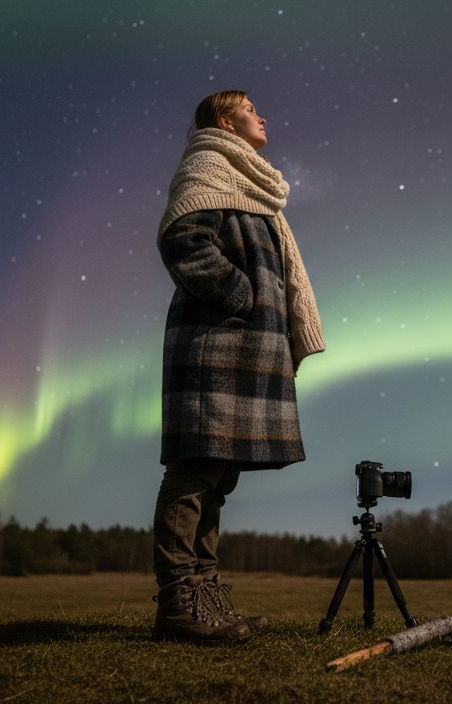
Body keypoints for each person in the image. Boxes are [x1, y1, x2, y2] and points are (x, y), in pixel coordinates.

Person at [152, 90, 325, 643]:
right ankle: (180, 604)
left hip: (244, 347)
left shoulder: (254, 186)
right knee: (194, 471)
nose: (263, 115)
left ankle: (206, 598)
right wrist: (241, 295)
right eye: (252, 109)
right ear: (225, 121)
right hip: (214, 343)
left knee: (218, 474)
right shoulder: (208, 165)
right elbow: (184, 240)